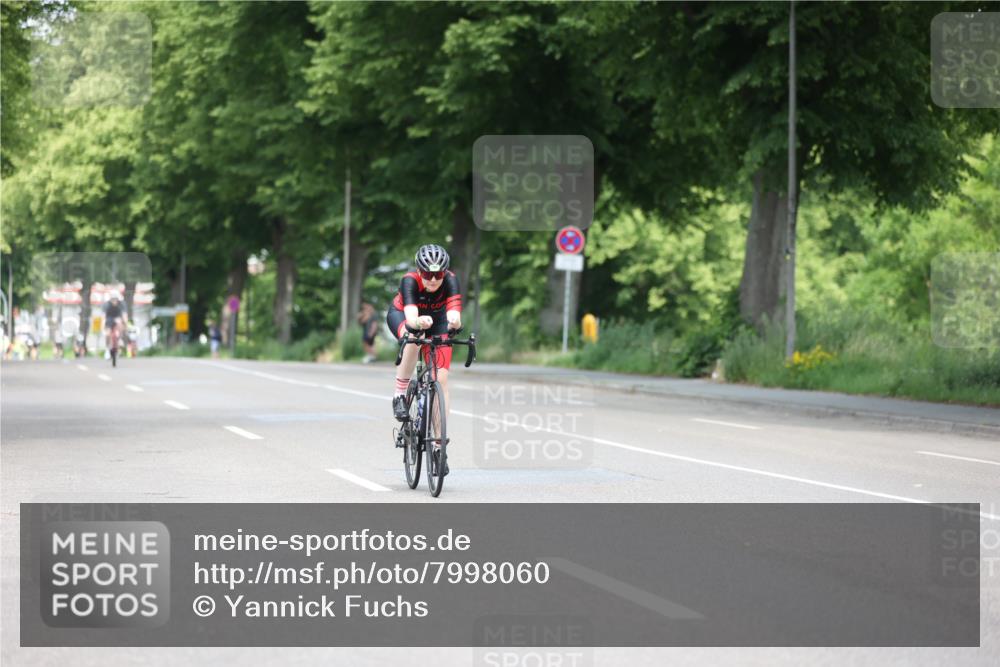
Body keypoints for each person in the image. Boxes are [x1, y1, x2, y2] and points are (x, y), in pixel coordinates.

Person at [386, 244, 462, 475]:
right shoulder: (409, 281)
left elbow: (455, 315)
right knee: (413, 336)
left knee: (442, 378)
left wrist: (454, 322)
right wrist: (418, 323)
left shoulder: (450, 281)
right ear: (419, 271)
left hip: (438, 320)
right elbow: (410, 318)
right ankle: (400, 393)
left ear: (444, 273)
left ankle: (439, 446)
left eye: (438, 275)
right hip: (405, 316)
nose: (432, 280)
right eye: (427, 274)